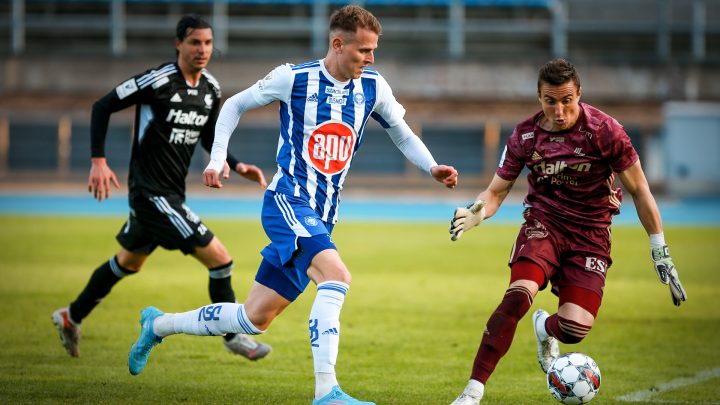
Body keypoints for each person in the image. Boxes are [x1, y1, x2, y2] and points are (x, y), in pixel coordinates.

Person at [125, 5, 458, 405]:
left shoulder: (373, 87)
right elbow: (232, 106)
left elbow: (403, 135)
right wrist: (216, 160)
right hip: (287, 201)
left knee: (254, 317)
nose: (371, 58)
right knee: (336, 277)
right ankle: (327, 391)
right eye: (364, 51)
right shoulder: (294, 77)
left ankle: (158, 324)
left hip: (323, 216)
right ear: (338, 43)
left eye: (373, 51)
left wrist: (433, 166)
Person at [446, 58, 688, 404]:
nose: (559, 111)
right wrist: (477, 212)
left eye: (566, 100)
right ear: (539, 97)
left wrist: (659, 248)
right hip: (544, 224)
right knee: (517, 296)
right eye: (550, 101)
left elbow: (640, 191)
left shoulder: (605, 131)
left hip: (590, 232)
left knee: (575, 329)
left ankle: (545, 328)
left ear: (579, 95)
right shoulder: (525, 135)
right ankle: (472, 391)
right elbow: (496, 191)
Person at [51, 14, 272, 362]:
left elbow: (210, 135)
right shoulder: (159, 81)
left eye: (208, 43)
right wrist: (98, 160)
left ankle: (71, 316)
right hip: (150, 194)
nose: (203, 50)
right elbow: (103, 105)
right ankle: (233, 336)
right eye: (195, 42)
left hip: (171, 195)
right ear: (178, 44)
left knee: (128, 263)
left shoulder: (211, 89)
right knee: (221, 259)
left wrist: (235, 162)